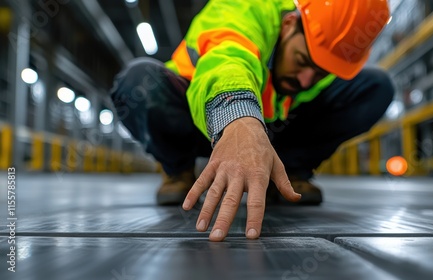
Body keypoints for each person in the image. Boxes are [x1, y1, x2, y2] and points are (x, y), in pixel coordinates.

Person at [110, 0, 394, 242]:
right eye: (302, 61)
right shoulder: (246, 7)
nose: (306, 80)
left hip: (277, 130)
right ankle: (178, 169)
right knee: (138, 81)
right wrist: (238, 116)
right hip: (199, 117)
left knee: (376, 86)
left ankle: (289, 173)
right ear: (289, 25)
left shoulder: (325, 58)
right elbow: (228, 59)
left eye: (321, 72)